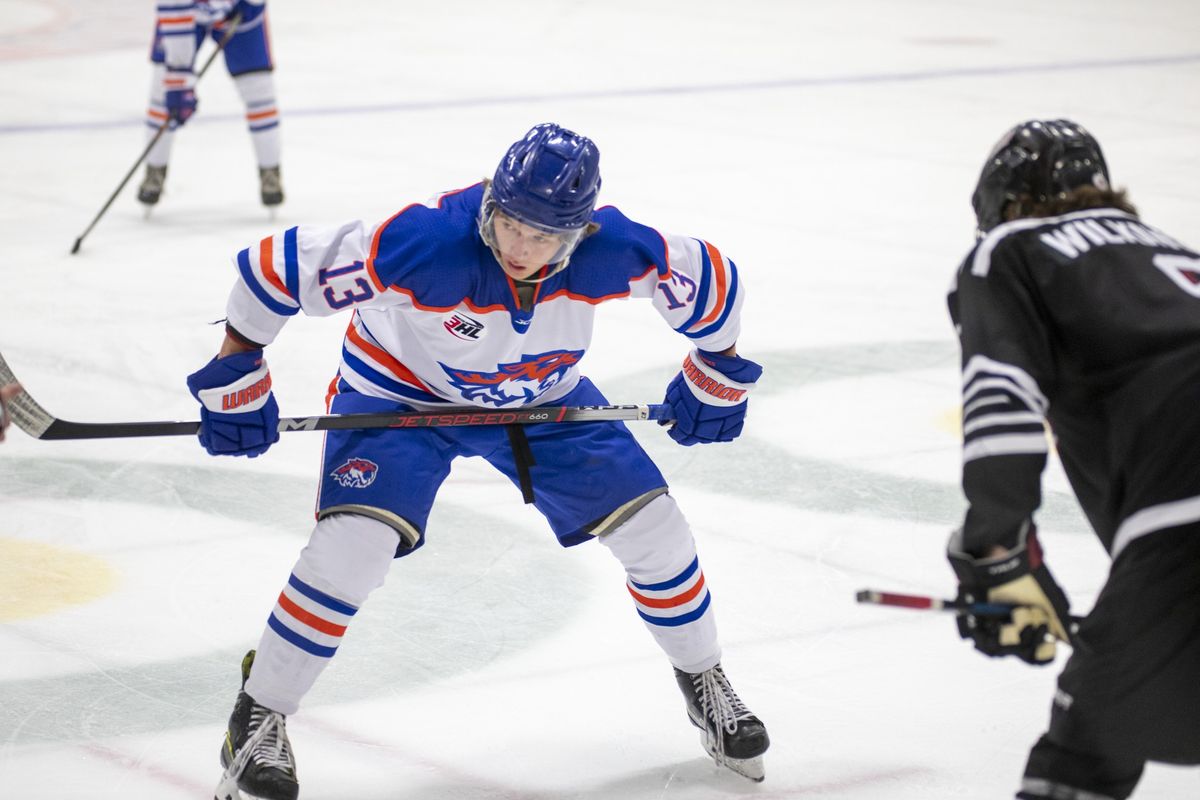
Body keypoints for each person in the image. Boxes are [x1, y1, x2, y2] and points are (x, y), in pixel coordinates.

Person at [190, 123, 769, 800]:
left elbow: (711, 280)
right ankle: (257, 714)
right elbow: (272, 270)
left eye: (544, 236)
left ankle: (704, 678)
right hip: (398, 401)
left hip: (538, 397)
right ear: (492, 201)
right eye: (510, 225)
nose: (520, 248)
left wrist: (718, 370)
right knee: (353, 551)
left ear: (579, 233)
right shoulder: (426, 244)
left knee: (657, 532)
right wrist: (238, 365)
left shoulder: (611, 249)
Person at [946, 118, 1200, 800]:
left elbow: (1003, 408)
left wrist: (996, 554)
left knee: (1084, 750)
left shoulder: (1014, 249)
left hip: (1183, 517)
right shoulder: (1178, 254)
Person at [138, 0, 283, 209]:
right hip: (187, 14)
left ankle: (270, 171)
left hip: (240, 10)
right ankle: (155, 169)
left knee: (259, 90)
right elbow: (174, 11)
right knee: (162, 92)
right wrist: (178, 81)